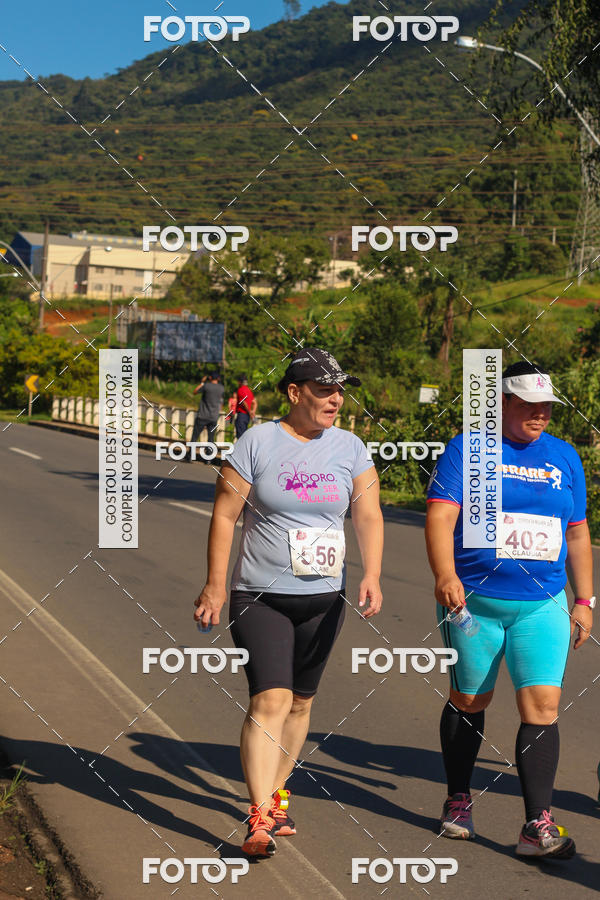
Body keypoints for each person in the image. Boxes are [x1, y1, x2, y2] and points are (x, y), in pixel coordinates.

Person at [193, 347, 384, 858]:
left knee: (301, 702)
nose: (335, 399)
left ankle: (276, 795)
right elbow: (224, 516)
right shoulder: (256, 442)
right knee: (270, 699)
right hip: (260, 596)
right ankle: (257, 815)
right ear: (294, 392)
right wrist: (215, 585)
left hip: (325, 598)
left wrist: (374, 574)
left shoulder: (351, 448)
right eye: (324, 390)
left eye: (339, 390)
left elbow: (368, 515)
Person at [425, 360, 594, 859]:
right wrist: (444, 573)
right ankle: (458, 799)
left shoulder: (564, 457)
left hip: (542, 603)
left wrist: (584, 601)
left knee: (542, 708)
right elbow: (441, 516)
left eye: (546, 406)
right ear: (501, 403)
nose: (539, 414)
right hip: (474, 602)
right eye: (527, 405)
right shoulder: (468, 449)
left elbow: (578, 532)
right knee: (470, 700)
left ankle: (536, 825)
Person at [189, 372, 224, 458]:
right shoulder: (221, 388)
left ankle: (190, 456)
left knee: (195, 436)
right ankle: (208, 458)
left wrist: (202, 382)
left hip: (203, 416)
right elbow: (221, 402)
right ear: (218, 379)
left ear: (210, 378)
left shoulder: (206, 386)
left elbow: (195, 392)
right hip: (213, 417)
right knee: (211, 438)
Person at [235, 374, 257, 439]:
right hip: (247, 417)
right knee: (244, 435)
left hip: (242, 415)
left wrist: (250, 412)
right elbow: (255, 402)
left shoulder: (240, 390)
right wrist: (253, 412)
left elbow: (244, 402)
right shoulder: (249, 391)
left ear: (239, 382)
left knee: (240, 437)